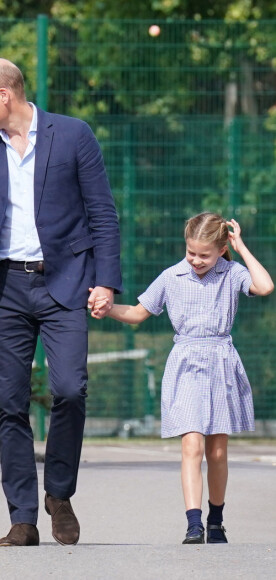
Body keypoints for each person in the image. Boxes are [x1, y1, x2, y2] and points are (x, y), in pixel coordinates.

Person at [0, 58, 122, 546]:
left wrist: (106, 281)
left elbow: (102, 212)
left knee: (71, 389)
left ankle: (58, 492)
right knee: (11, 404)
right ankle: (22, 516)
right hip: (5, 290)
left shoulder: (74, 135)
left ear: (4, 96)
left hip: (65, 284)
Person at [95, 212, 273, 544]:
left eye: (204, 254)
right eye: (191, 252)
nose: (195, 260)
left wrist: (242, 247)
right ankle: (194, 523)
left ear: (221, 249)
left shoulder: (232, 272)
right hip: (186, 364)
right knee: (191, 444)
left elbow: (264, 286)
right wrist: (108, 309)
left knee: (217, 451)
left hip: (221, 362)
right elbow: (137, 312)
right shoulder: (171, 276)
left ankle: (216, 520)